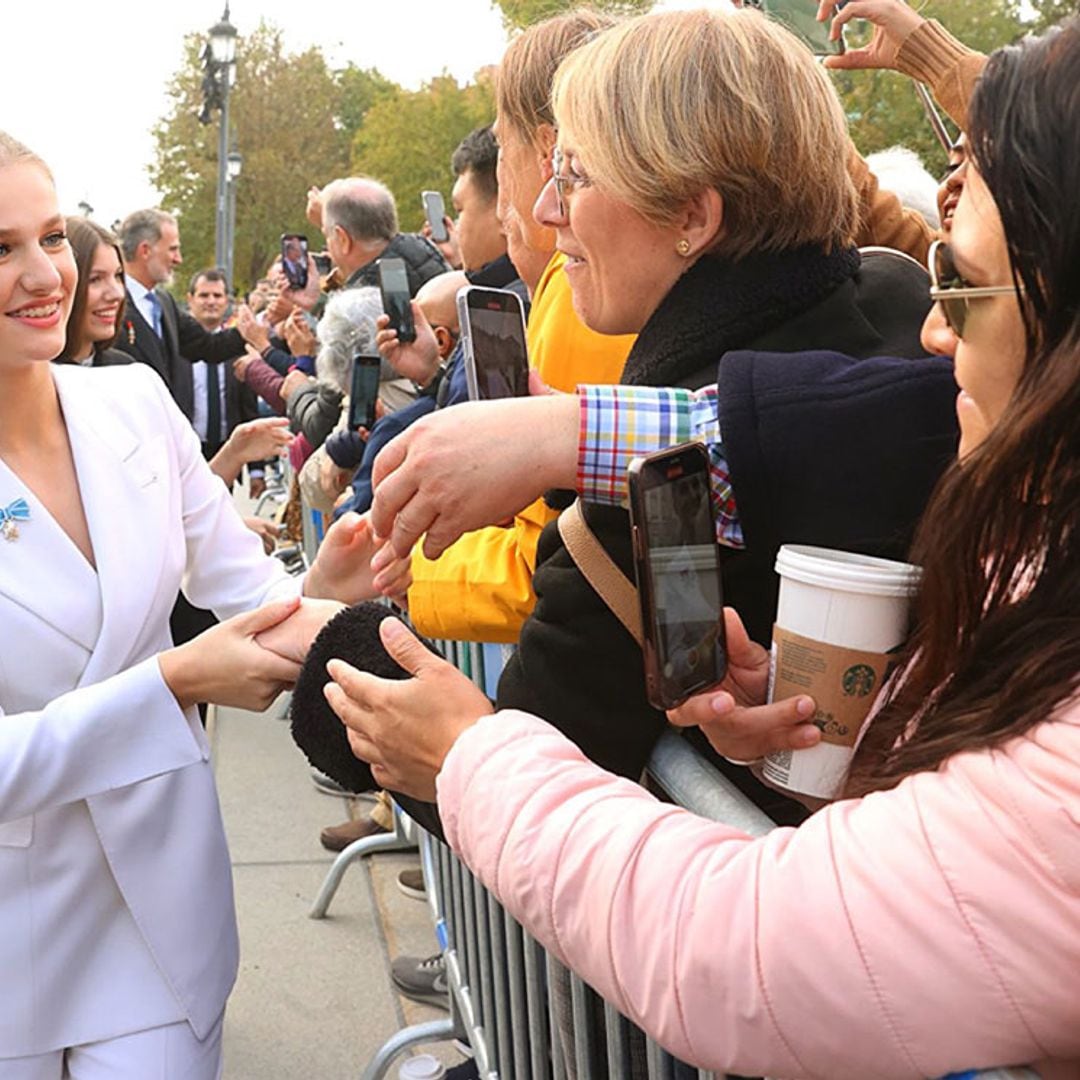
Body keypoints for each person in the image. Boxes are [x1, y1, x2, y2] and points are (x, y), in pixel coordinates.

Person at [320, 15, 1080, 1077]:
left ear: (692, 214)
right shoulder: (889, 300)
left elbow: (750, 955)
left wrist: (421, 728)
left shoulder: (658, 481)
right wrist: (825, 730)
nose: (934, 333)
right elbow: (973, 805)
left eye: (962, 281)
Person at [0, 130, 403, 1077]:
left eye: (51, 237)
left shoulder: (134, 402)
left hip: (161, 917)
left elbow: (249, 590)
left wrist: (327, 594)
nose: (42, 274)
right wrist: (174, 681)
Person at [114, 208, 248, 421]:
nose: (179, 259)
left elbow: (208, 347)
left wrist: (257, 327)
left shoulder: (164, 302)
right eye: (173, 250)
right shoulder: (111, 303)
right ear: (145, 250)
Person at [52, 216, 129, 367]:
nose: (117, 294)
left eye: (118, 276)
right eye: (95, 279)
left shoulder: (124, 370)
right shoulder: (31, 380)